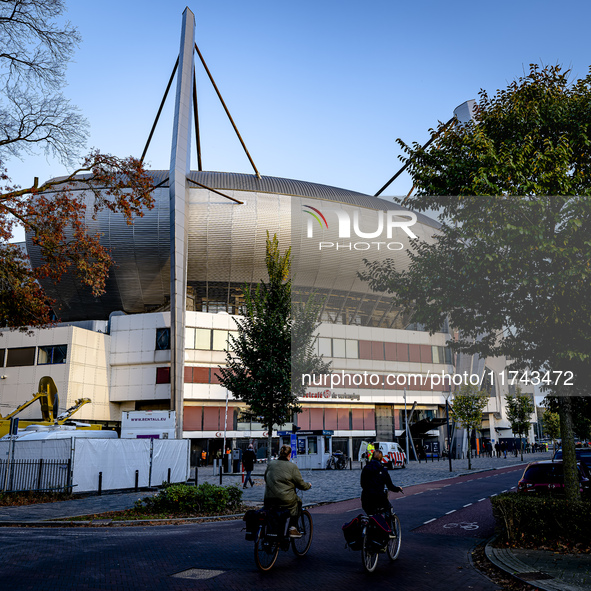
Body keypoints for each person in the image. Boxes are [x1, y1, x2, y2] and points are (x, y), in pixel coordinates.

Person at [264, 445, 311, 537]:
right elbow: (300, 484)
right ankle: (292, 528)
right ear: (289, 455)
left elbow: (266, 478)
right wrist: (308, 485)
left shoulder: (271, 464)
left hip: (269, 498)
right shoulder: (292, 466)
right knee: (298, 502)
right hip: (285, 499)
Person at [360, 449, 403, 517]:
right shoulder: (383, 470)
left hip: (366, 498)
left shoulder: (365, 468)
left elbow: (362, 484)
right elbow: (390, 486)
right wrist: (398, 489)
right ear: (381, 459)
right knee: (388, 509)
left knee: (370, 514)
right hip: (379, 497)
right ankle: (388, 527)